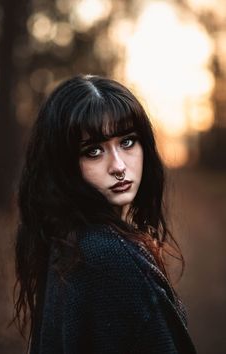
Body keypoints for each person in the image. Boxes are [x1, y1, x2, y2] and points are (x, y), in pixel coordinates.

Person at [13, 74, 197, 354]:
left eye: (127, 142)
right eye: (94, 150)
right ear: (63, 164)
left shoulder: (68, 240)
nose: (119, 166)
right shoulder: (106, 255)